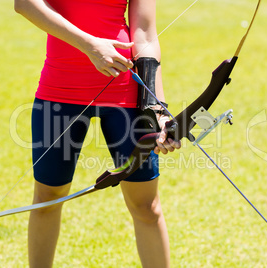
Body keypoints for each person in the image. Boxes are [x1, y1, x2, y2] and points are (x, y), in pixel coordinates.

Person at [14, 0, 180, 267]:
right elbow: (24, 4)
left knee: (146, 206)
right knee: (47, 198)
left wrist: (156, 108)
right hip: (59, 90)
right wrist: (89, 45)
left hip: (126, 94)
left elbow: (145, 33)